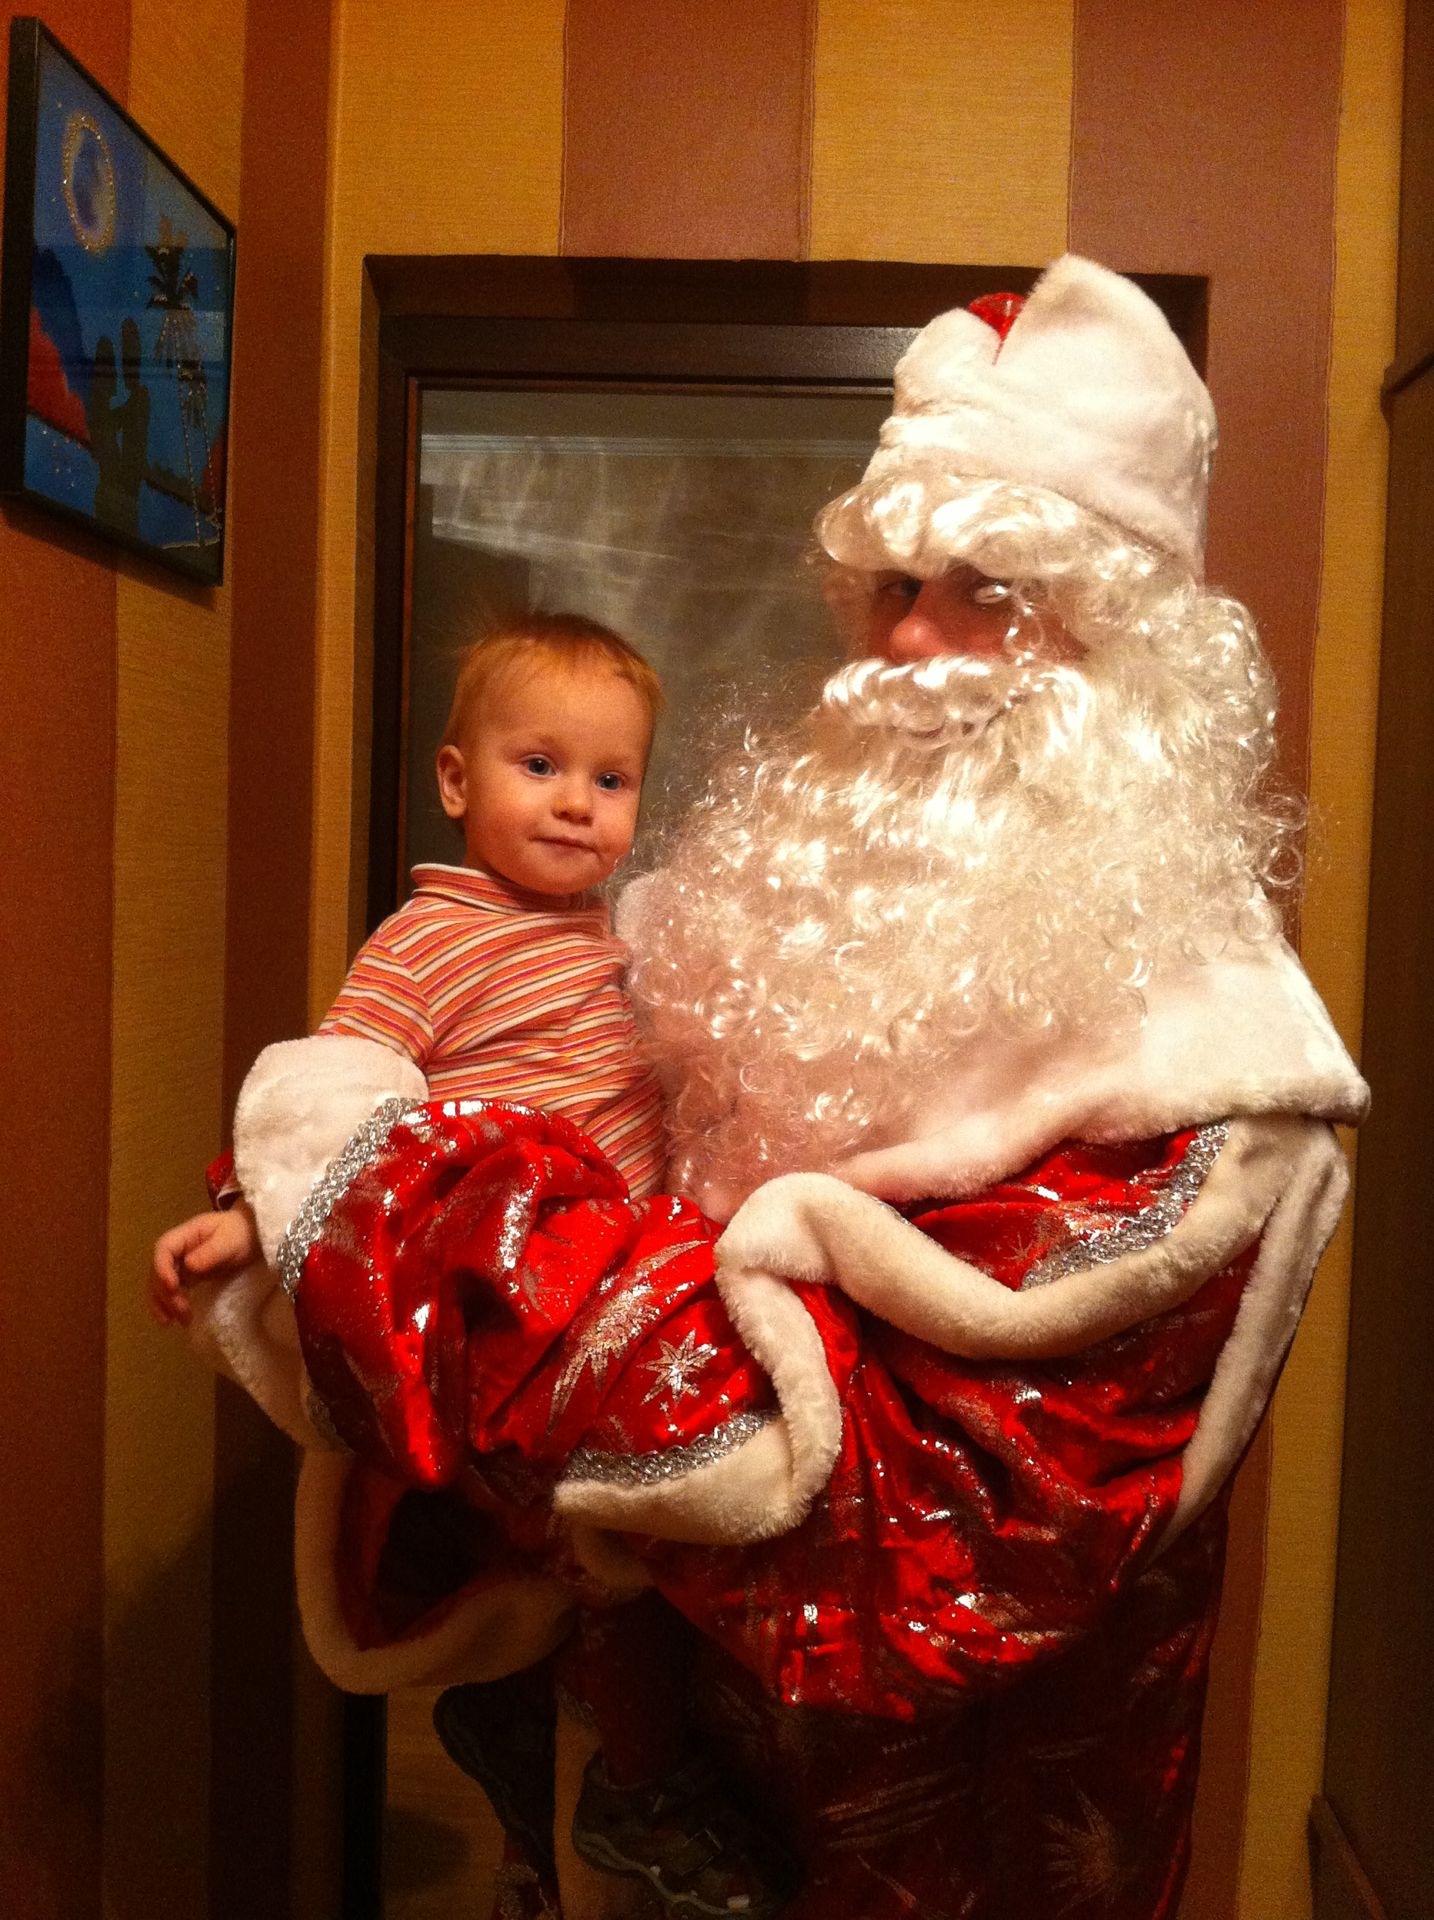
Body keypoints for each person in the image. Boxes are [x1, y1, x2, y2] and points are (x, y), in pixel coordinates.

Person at [167, 258, 1367, 1920]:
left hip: (945, 1839)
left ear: (1130, 648)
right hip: (655, 1756)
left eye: (988, 585)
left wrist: (380, 1209)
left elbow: (933, 1512)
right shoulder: (739, 919)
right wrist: (283, 1199)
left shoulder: (1216, 1084)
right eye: (890, 582)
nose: (911, 639)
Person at [151, 613, 784, 1919]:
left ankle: (540, 1741)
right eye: (538, 765)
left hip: (619, 1275)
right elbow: (334, 1099)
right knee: (606, 1541)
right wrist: (252, 1215)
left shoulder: (616, 940)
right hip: (505, 1283)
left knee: (622, 1536)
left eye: (611, 779)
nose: (577, 803)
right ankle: (629, 1784)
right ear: (455, 779)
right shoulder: (430, 939)